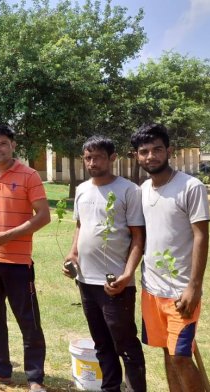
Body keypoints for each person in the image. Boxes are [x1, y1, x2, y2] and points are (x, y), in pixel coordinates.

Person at [0, 125, 50, 391]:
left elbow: (43, 216)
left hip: (18, 263)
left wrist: (8, 236)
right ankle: (1, 370)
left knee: (29, 321)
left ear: (12, 145)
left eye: (2, 144)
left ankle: (35, 377)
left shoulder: (29, 175)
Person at [64, 136, 146, 392]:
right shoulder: (81, 189)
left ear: (112, 158)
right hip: (86, 281)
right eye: (87, 158)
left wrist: (127, 274)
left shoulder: (129, 190)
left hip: (115, 283)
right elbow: (81, 225)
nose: (91, 162)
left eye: (97, 157)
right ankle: (110, 388)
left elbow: (138, 237)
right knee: (101, 343)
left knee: (125, 344)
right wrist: (73, 254)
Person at [132, 124, 210, 392]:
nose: (151, 156)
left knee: (180, 356)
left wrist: (194, 287)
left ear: (169, 151)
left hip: (180, 292)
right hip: (152, 290)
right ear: (136, 156)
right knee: (168, 351)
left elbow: (201, 236)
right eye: (144, 152)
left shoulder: (191, 186)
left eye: (157, 149)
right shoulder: (142, 191)